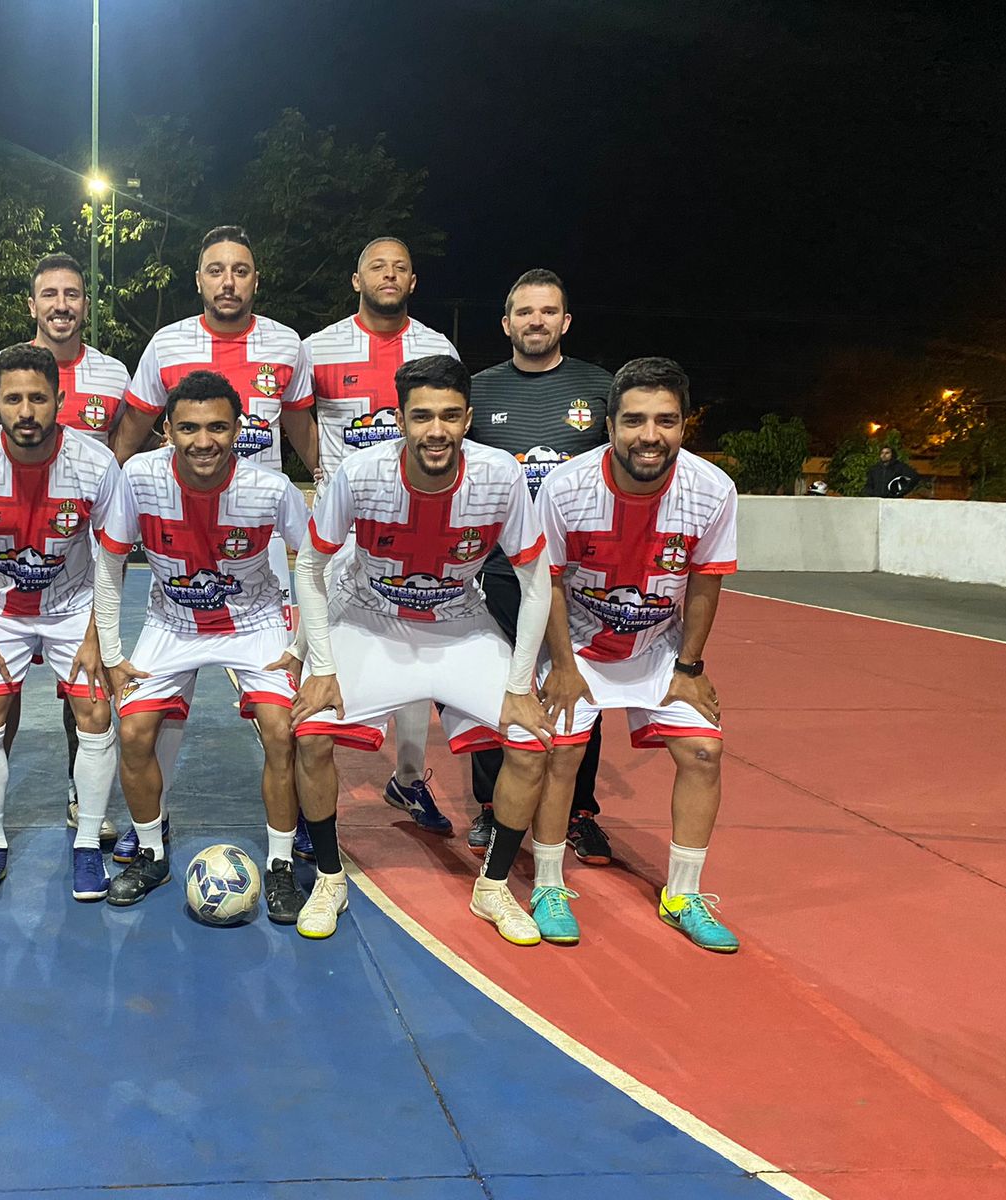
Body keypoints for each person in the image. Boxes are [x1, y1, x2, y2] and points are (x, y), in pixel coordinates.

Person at [289, 356, 555, 942]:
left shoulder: (500, 476)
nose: (437, 430)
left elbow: (536, 581)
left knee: (531, 741)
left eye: (451, 416)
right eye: (422, 416)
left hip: (458, 624)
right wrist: (322, 666)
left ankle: (493, 888)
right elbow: (309, 567)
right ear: (400, 420)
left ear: (469, 418)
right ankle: (330, 878)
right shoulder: (360, 473)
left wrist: (520, 685)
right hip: (370, 620)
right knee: (309, 735)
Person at [107, 226, 317, 863]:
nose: (228, 281)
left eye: (241, 270)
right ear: (198, 279)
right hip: (177, 572)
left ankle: (290, 840)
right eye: (216, 270)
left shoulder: (287, 344)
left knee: (284, 727)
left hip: (254, 542)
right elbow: (134, 423)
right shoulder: (166, 345)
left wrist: (327, 482)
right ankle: (151, 833)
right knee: (139, 725)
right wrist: (111, 483)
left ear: (256, 279)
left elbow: (301, 425)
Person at [532, 357, 741, 952]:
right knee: (562, 753)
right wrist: (562, 667)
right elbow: (547, 581)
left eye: (666, 420)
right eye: (634, 420)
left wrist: (690, 667)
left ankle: (683, 895)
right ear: (609, 426)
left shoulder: (712, 489)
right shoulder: (566, 486)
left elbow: (705, 581)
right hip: (578, 644)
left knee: (704, 751)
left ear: (684, 425)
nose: (650, 435)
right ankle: (547, 885)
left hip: (659, 646)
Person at [92, 370, 309, 922]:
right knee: (134, 731)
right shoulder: (138, 476)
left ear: (239, 429)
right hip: (172, 623)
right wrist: (112, 654)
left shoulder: (271, 488)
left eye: (217, 427)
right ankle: (151, 852)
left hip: (254, 623)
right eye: (188, 428)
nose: (203, 440)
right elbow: (110, 563)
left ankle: (281, 864)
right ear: (166, 430)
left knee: (281, 730)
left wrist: (302, 645)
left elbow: (314, 564)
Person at [0, 343, 127, 902]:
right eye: (14, 399)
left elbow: (111, 556)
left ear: (59, 401)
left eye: (38, 399)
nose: (26, 412)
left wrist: (96, 637)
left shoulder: (96, 463)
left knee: (96, 709)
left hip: (74, 605)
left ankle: (87, 844)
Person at [0, 252, 129, 852]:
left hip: (74, 556)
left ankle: (82, 795)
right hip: (5, 563)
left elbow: (121, 449)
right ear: (32, 304)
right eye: (50, 294)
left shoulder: (113, 374)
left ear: (86, 302)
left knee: (84, 693)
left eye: (73, 293)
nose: (62, 304)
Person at [306, 236, 461, 836]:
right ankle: (307, 784)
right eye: (378, 266)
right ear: (357, 279)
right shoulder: (319, 347)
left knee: (415, 646)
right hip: (345, 527)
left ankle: (408, 777)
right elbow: (295, 415)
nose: (389, 275)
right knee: (318, 646)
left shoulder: (437, 346)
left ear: (413, 282)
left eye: (401, 267)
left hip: (416, 521)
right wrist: (326, 474)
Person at [467, 269, 616, 866]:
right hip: (501, 568)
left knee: (575, 684)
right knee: (497, 682)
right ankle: (490, 805)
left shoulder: (600, 387)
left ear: (566, 321)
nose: (536, 321)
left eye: (548, 311)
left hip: (577, 576)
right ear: (506, 323)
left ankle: (578, 811)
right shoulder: (478, 390)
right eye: (525, 312)